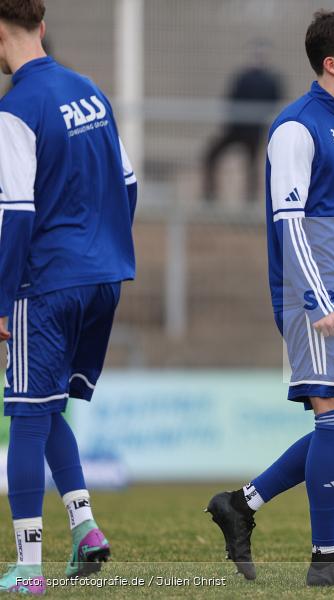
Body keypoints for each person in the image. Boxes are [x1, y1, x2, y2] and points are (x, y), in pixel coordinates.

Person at [205, 11, 334, 587]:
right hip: (316, 299)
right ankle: (326, 558)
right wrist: (318, 301)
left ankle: (242, 504)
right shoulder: (295, 127)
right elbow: (290, 225)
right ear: (332, 63)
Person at [0, 0, 138, 594]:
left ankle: (28, 567)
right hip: (103, 275)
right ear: (43, 26)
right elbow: (128, 184)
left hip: (46, 280)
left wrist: (3, 300)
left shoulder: (16, 108)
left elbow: (15, 213)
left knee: (25, 415)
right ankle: (85, 529)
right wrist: (101, 248)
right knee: (48, 403)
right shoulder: (89, 91)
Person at [202, 39, 284, 204]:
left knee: (251, 164)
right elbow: (231, 100)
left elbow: (274, 101)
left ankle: (250, 200)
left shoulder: (271, 80)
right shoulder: (242, 77)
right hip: (235, 127)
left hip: (254, 130)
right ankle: (210, 196)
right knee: (212, 155)